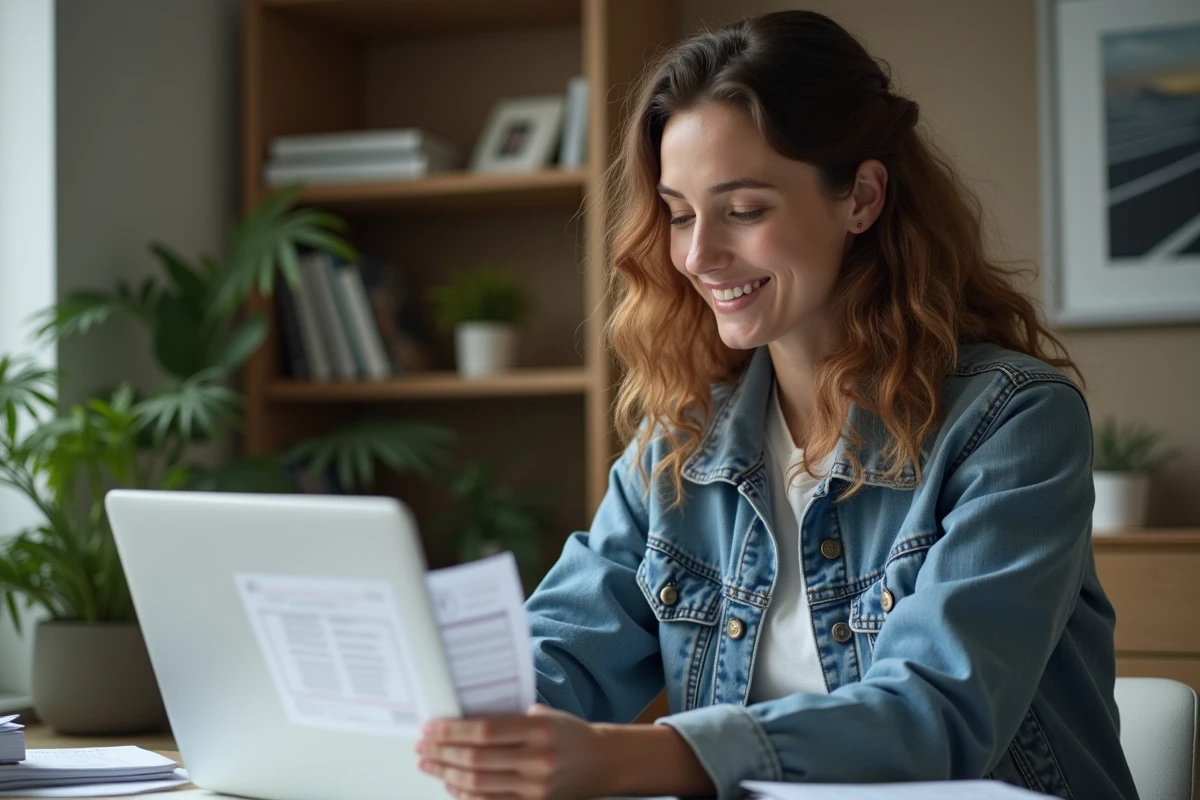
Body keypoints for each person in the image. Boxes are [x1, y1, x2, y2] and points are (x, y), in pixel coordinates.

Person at [415, 10, 1139, 800]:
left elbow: (937, 715)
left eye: (744, 210)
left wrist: (633, 758)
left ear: (861, 197)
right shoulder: (680, 442)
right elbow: (562, 650)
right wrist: (470, 721)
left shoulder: (1014, 422)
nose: (698, 255)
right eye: (680, 214)